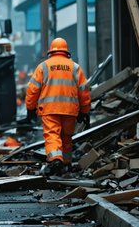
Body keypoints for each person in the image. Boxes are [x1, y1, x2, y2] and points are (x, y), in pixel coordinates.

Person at [25, 37, 91, 176]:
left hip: (50, 109)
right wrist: (85, 111)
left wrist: (30, 108)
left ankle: (55, 160)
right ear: (66, 51)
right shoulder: (75, 67)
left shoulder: (44, 66)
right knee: (67, 137)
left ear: (51, 51)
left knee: (52, 135)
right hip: (70, 110)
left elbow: (32, 89)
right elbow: (84, 90)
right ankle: (66, 164)